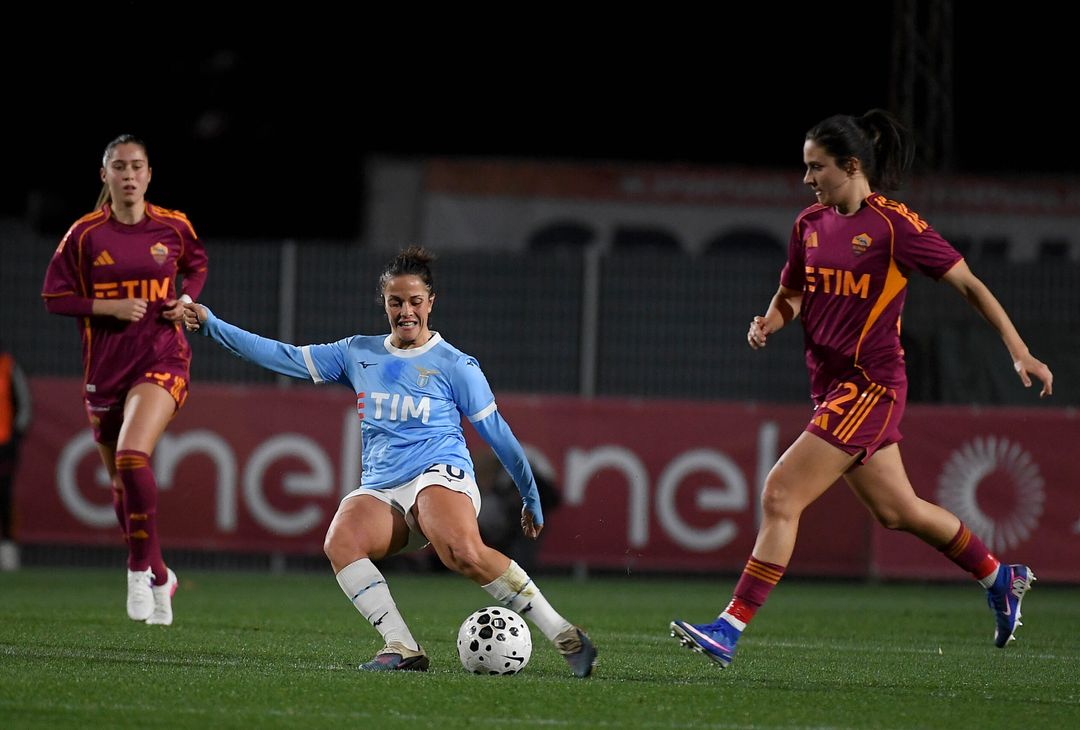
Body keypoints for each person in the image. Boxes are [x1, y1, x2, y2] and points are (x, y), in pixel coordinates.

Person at [671, 110, 1053, 667]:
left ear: (851, 166)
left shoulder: (895, 226)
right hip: (829, 387)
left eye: (815, 167)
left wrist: (1019, 349)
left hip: (870, 385)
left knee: (780, 493)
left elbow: (969, 284)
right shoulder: (808, 224)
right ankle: (1000, 577)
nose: (807, 179)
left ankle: (728, 629)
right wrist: (770, 321)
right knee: (899, 511)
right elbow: (794, 295)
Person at [181, 247, 597, 677]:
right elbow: (281, 356)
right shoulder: (357, 353)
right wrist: (213, 327)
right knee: (340, 542)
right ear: (384, 303)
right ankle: (401, 645)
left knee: (460, 552)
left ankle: (566, 635)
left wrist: (530, 494)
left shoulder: (455, 365)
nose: (406, 311)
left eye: (415, 301)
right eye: (396, 302)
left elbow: (501, 437)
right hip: (383, 488)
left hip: (440, 475)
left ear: (430, 302)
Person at [41, 134, 208, 625]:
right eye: (120, 167)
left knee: (132, 456)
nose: (129, 175)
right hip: (105, 371)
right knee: (119, 483)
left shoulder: (173, 225)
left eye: (137, 166)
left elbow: (196, 264)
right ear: (105, 175)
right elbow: (54, 297)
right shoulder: (85, 235)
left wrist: (186, 299)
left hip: (163, 358)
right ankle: (161, 572)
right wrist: (107, 306)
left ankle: (137, 568)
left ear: (149, 175)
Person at [0, 339, 32, 571]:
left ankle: (8, 551)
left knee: (4, 496)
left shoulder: (8, 366)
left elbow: (24, 405)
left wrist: (15, 437)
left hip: (3, 444)